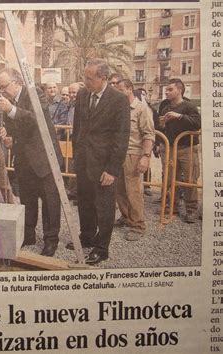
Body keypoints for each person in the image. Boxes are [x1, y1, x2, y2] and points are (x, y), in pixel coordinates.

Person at [0, 68, 63, 257]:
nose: (1, 91)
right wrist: (8, 136)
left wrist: (11, 110)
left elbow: (35, 120)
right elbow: (13, 128)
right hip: (24, 159)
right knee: (28, 200)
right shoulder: (8, 102)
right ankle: (29, 234)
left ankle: (51, 240)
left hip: (44, 158)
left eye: (4, 86)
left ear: (17, 82)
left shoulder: (35, 94)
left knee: (50, 201)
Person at [70, 58, 130, 265]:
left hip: (104, 166)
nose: (85, 81)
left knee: (104, 207)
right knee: (85, 202)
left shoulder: (119, 100)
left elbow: (121, 137)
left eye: (89, 78)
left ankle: (102, 248)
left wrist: (112, 170)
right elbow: (77, 127)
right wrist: (76, 153)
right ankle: (87, 237)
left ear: (103, 78)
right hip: (83, 161)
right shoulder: (82, 94)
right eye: (84, 77)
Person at [115, 79, 155, 241]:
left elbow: (148, 134)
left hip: (133, 154)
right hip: (119, 154)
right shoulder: (120, 108)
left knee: (134, 192)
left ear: (130, 89)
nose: (118, 93)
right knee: (119, 190)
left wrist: (145, 157)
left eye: (120, 89)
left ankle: (138, 225)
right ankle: (126, 217)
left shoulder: (141, 108)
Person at [158, 78, 201, 223]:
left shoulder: (189, 106)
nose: (166, 92)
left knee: (190, 179)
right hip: (171, 148)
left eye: (170, 89)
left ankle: (191, 210)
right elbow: (163, 129)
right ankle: (172, 206)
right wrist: (162, 124)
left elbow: (197, 124)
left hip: (187, 148)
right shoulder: (165, 108)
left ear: (179, 90)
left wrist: (180, 116)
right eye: (166, 89)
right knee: (170, 179)